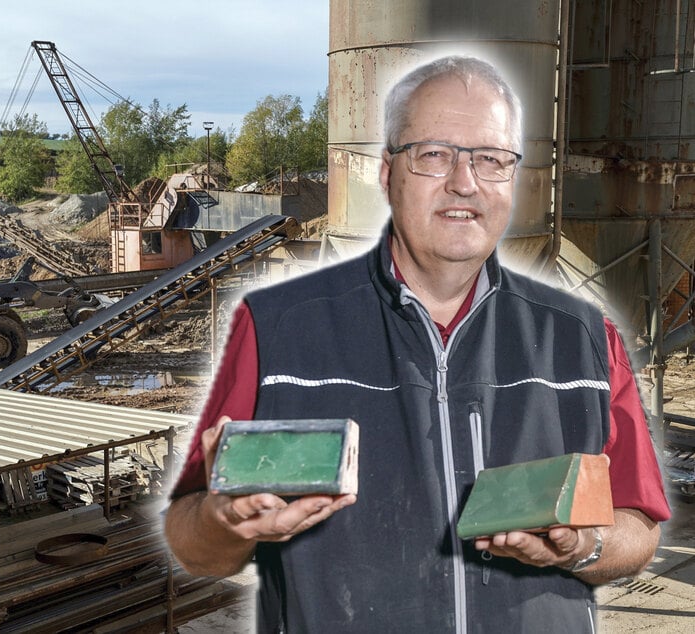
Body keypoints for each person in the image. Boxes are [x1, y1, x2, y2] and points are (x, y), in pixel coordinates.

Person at [163, 55, 672, 633]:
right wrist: (223, 523)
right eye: (435, 155)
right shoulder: (280, 327)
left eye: (491, 159)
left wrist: (583, 546)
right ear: (387, 173)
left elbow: (639, 528)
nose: (465, 181)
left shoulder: (582, 337)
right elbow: (192, 541)